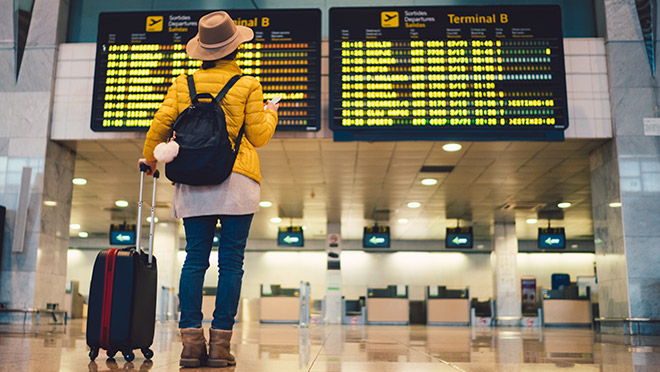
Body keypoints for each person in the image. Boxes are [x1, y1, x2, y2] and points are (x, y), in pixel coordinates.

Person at [139, 10, 278, 368]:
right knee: (231, 262)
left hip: (193, 178)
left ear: (202, 51)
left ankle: (189, 344)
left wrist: (149, 160)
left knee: (195, 259)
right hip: (237, 179)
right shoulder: (247, 84)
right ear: (235, 49)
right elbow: (259, 136)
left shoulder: (182, 84)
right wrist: (270, 112)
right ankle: (219, 346)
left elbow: (161, 123)